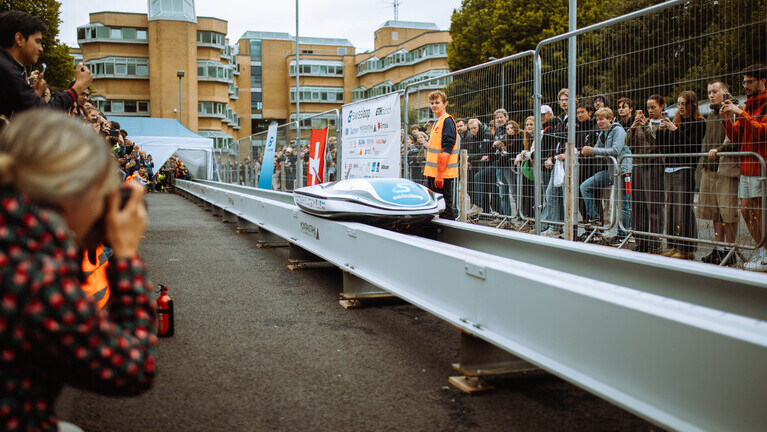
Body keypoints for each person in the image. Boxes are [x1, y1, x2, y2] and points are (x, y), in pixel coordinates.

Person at [0, 111, 157, 431]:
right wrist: (125, 256)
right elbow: (133, 367)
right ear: (68, 190)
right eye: (101, 190)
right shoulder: (34, 278)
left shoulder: (16, 239)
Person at [0, 11, 93, 118]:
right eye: (37, 41)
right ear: (19, 39)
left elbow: (24, 111)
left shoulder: (7, 67)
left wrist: (35, 94)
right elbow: (41, 114)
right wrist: (77, 88)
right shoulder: (7, 70)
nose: (41, 49)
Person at [720, 64, 767, 270]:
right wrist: (725, 118)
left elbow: (762, 133)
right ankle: (763, 250)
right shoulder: (748, 106)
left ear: (762, 81)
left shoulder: (762, 105)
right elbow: (735, 135)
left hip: (761, 166)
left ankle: (765, 253)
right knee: (746, 210)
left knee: (758, 210)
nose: (746, 86)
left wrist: (740, 112)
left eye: (750, 81)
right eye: (744, 82)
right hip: (747, 167)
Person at [658, 90, 706, 259]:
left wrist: (675, 130)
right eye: (678, 104)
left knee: (683, 209)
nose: (681, 107)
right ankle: (672, 244)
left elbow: (691, 146)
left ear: (692, 105)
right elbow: (664, 148)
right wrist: (661, 131)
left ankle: (687, 248)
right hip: (670, 168)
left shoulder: (699, 123)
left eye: (684, 104)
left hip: (685, 168)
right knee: (670, 209)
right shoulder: (676, 122)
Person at [699, 80, 740, 265]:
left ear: (725, 91)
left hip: (726, 167)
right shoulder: (711, 114)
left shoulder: (733, 110)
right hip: (710, 167)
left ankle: (731, 251)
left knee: (728, 212)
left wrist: (720, 150)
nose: (711, 95)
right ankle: (719, 248)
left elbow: (735, 138)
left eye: (715, 91)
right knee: (714, 213)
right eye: (709, 92)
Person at [580, 107, 632, 241]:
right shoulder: (603, 133)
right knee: (585, 186)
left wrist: (593, 150)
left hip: (622, 171)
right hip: (611, 171)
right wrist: (589, 151)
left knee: (623, 204)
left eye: (602, 119)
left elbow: (615, 149)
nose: (599, 121)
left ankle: (622, 235)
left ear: (610, 119)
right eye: (597, 119)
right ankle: (595, 218)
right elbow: (598, 151)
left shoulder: (618, 130)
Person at [625, 94, 666, 254]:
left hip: (654, 165)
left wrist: (646, 128)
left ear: (661, 107)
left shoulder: (663, 123)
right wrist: (634, 127)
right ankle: (641, 240)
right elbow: (628, 143)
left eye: (653, 107)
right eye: (648, 107)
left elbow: (657, 142)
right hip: (638, 164)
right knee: (638, 205)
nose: (650, 111)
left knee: (654, 205)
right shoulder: (644, 122)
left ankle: (655, 241)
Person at [422, 90, 458, 220]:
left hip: (442, 172)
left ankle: (450, 234)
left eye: (437, 102)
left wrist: (440, 173)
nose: (434, 105)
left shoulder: (447, 121)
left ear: (444, 104)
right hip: (435, 171)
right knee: (438, 204)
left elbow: (447, 148)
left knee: (445, 206)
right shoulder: (437, 122)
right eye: (432, 103)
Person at [465, 118, 494, 214]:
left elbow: (484, 153)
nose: (473, 130)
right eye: (471, 128)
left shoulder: (486, 134)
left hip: (491, 163)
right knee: (478, 186)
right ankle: (482, 211)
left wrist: (469, 157)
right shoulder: (474, 136)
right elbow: (475, 152)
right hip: (479, 164)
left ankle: (480, 207)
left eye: (474, 128)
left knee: (489, 189)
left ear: (479, 126)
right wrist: (470, 157)